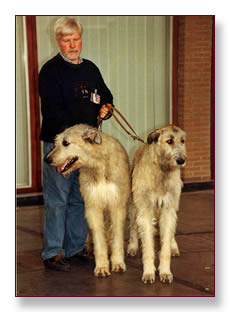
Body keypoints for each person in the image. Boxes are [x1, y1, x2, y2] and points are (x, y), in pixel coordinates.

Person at [39, 16, 113, 272]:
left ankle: (75, 248)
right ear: (58, 40)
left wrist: (106, 108)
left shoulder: (90, 69)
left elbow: (106, 95)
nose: (72, 45)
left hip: (86, 152)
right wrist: (79, 133)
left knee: (80, 199)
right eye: (66, 40)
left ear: (81, 38)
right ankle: (52, 252)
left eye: (76, 39)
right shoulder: (50, 71)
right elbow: (53, 111)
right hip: (60, 147)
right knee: (57, 198)